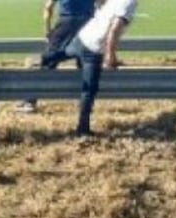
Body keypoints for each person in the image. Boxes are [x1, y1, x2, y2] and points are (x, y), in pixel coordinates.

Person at [42, 0, 139, 135]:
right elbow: (114, 29)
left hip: (82, 37)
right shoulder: (129, 3)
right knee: (89, 89)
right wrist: (110, 57)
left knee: (61, 54)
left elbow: (99, 3)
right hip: (94, 48)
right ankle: (83, 129)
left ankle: (41, 60)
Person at [16, 0, 97, 113]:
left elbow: (48, 7)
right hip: (88, 23)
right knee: (85, 63)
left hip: (67, 23)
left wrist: (47, 30)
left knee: (49, 60)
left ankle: (29, 100)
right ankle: (86, 104)